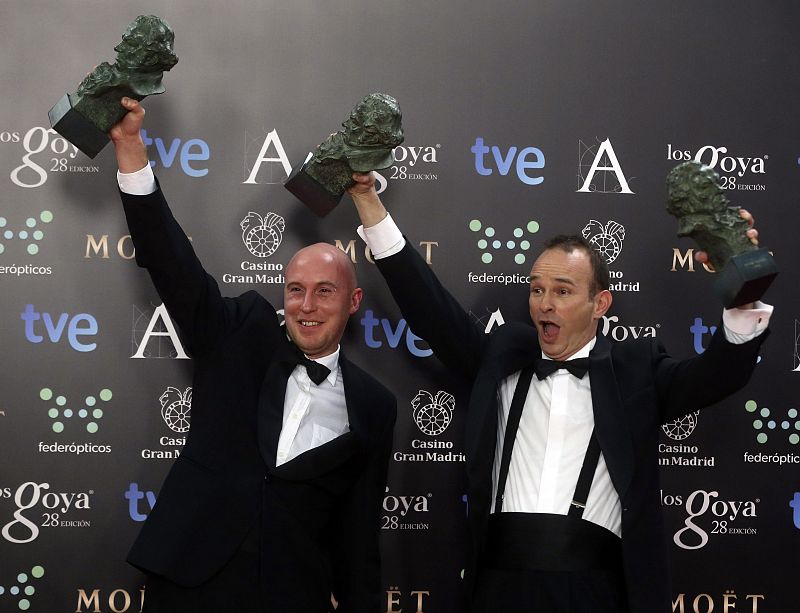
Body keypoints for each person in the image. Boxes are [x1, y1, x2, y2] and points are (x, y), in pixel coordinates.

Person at [346, 172, 771, 613]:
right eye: (537, 290)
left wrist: (745, 292)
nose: (544, 304)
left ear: (600, 304)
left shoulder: (636, 370)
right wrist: (367, 201)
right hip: (496, 588)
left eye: (562, 291)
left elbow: (720, 373)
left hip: (592, 592)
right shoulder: (501, 355)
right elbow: (427, 305)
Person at [109, 98, 396, 613]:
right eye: (294, 290)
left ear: (353, 302)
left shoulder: (374, 405)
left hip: (289, 595)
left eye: (324, 292)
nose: (306, 306)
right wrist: (130, 148)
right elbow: (172, 265)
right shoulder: (241, 332)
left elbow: (358, 539)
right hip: (189, 583)